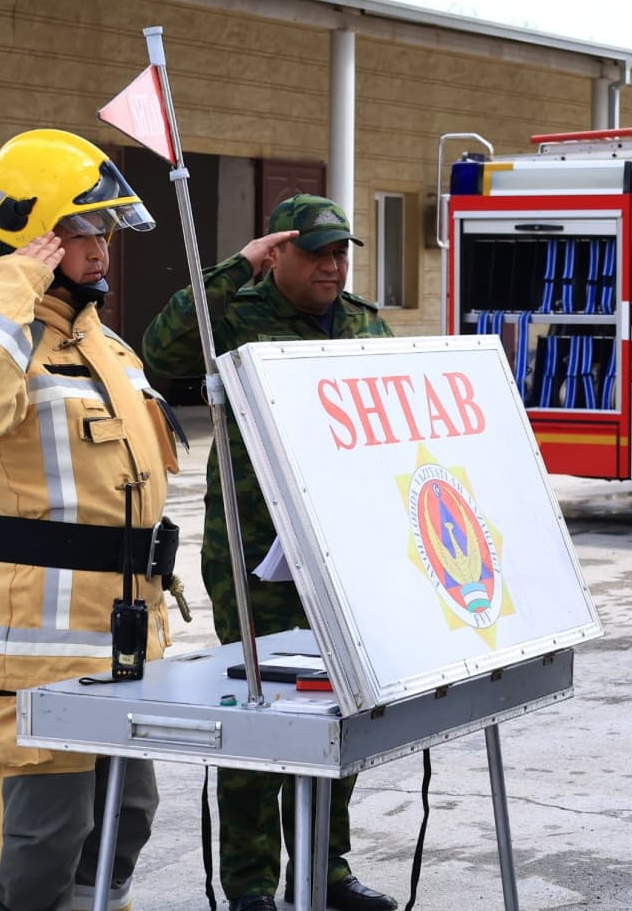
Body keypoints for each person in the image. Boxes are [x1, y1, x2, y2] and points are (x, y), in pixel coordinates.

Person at [0, 129, 182, 911]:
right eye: (79, 229)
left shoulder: (105, 346)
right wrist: (9, 288)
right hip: (33, 654)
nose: (99, 247)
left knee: (125, 824)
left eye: (106, 229)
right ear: (31, 237)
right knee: (41, 847)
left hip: (121, 639)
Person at [143, 194, 399, 911]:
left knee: (338, 710)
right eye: (316, 252)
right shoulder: (234, 314)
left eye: (340, 252)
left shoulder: (364, 323)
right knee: (258, 712)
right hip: (252, 550)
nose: (332, 265)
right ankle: (251, 886)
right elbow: (159, 352)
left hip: (341, 548)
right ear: (278, 252)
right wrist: (236, 267)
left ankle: (324, 871)